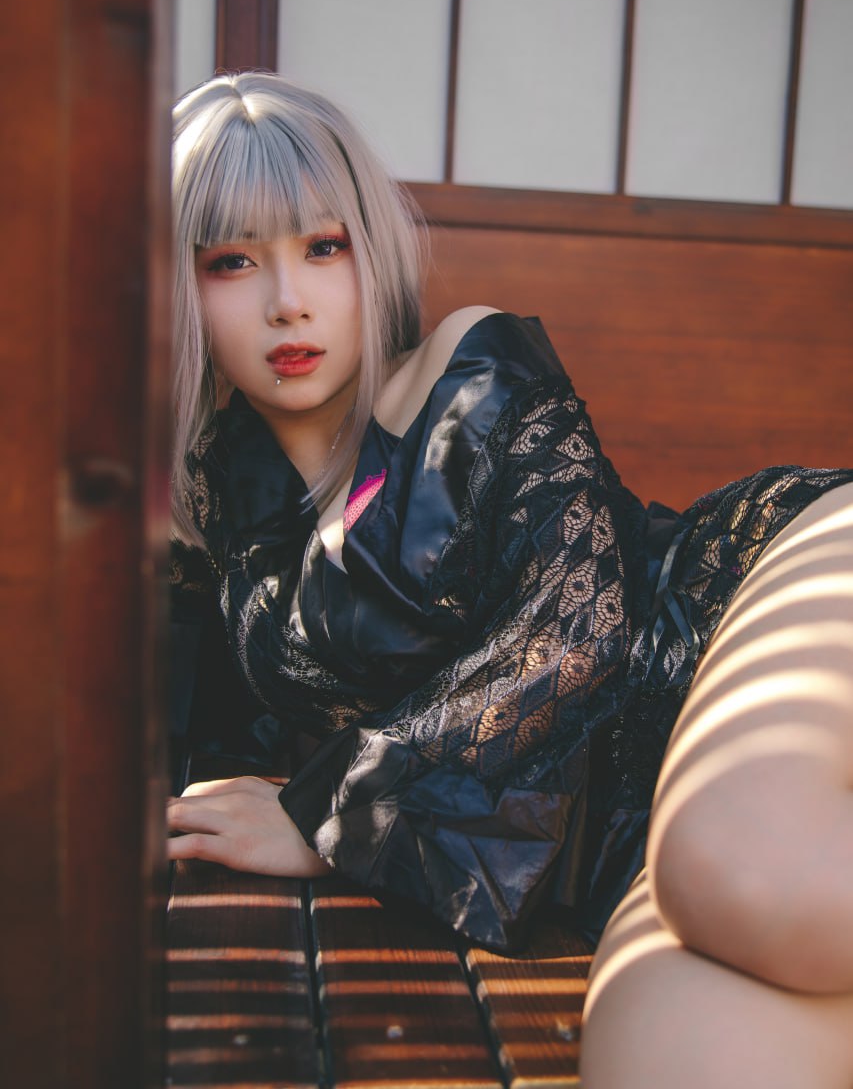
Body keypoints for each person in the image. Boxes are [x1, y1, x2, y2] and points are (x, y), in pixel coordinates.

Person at [166, 72, 853, 1087]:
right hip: (624, 835)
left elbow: (575, 628)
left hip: (752, 592)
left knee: (733, 865)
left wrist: (334, 812)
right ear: (175, 285)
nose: (287, 300)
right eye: (232, 261)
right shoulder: (218, 502)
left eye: (324, 246)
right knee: (673, 1056)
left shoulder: (460, 371)